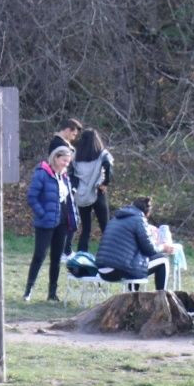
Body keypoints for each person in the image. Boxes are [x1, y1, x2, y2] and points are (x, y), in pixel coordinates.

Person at [24, 145, 78, 302]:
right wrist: (43, 213)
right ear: (55, 158)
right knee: (39, 256)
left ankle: (52, 293)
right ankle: (28, 290)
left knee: (56, 258)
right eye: (64, 160)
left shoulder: (64, 176)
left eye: (68, 162)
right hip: (45, 222)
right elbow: (32, 197)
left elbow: (68, 200)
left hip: (62, 223)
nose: (66, 164)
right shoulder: (42, 174)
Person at [95, 196, 170, 290]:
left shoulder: (114, 219)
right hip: (118, 270)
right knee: (163, 260)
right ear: (147, 212)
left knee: (135, 260)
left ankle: (133, 296)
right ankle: (161, 299)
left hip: (102, 270)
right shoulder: (139, 220)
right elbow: (150, 250)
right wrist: (163, 247)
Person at [70, 128, 114, 253]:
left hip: (82, 194)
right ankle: (109, 254)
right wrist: (105, 183)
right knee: (106, 227)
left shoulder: (76, 156)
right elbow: (109, 166)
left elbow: (72, 174)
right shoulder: (102, 154)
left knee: (86, 228)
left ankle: (82, 255)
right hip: (98, 192)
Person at [46, 118, 83, 258]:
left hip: (69, 184)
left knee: (71, 218)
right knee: (71, 218)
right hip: (62, 185)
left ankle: (65, 249)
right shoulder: (57, 144)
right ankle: (64, 250)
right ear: (68, 130)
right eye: (73, 134)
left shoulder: (65, 144)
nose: (74, 138)